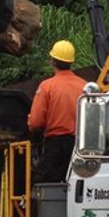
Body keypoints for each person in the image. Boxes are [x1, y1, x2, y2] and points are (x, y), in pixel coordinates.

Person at [28, 40, 87, 183]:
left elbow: (35, 123)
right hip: (82, 148)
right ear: (71, 62)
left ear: (53, 61)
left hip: (56, 146)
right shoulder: (84, 86)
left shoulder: (47, 86)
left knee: (40, 183)